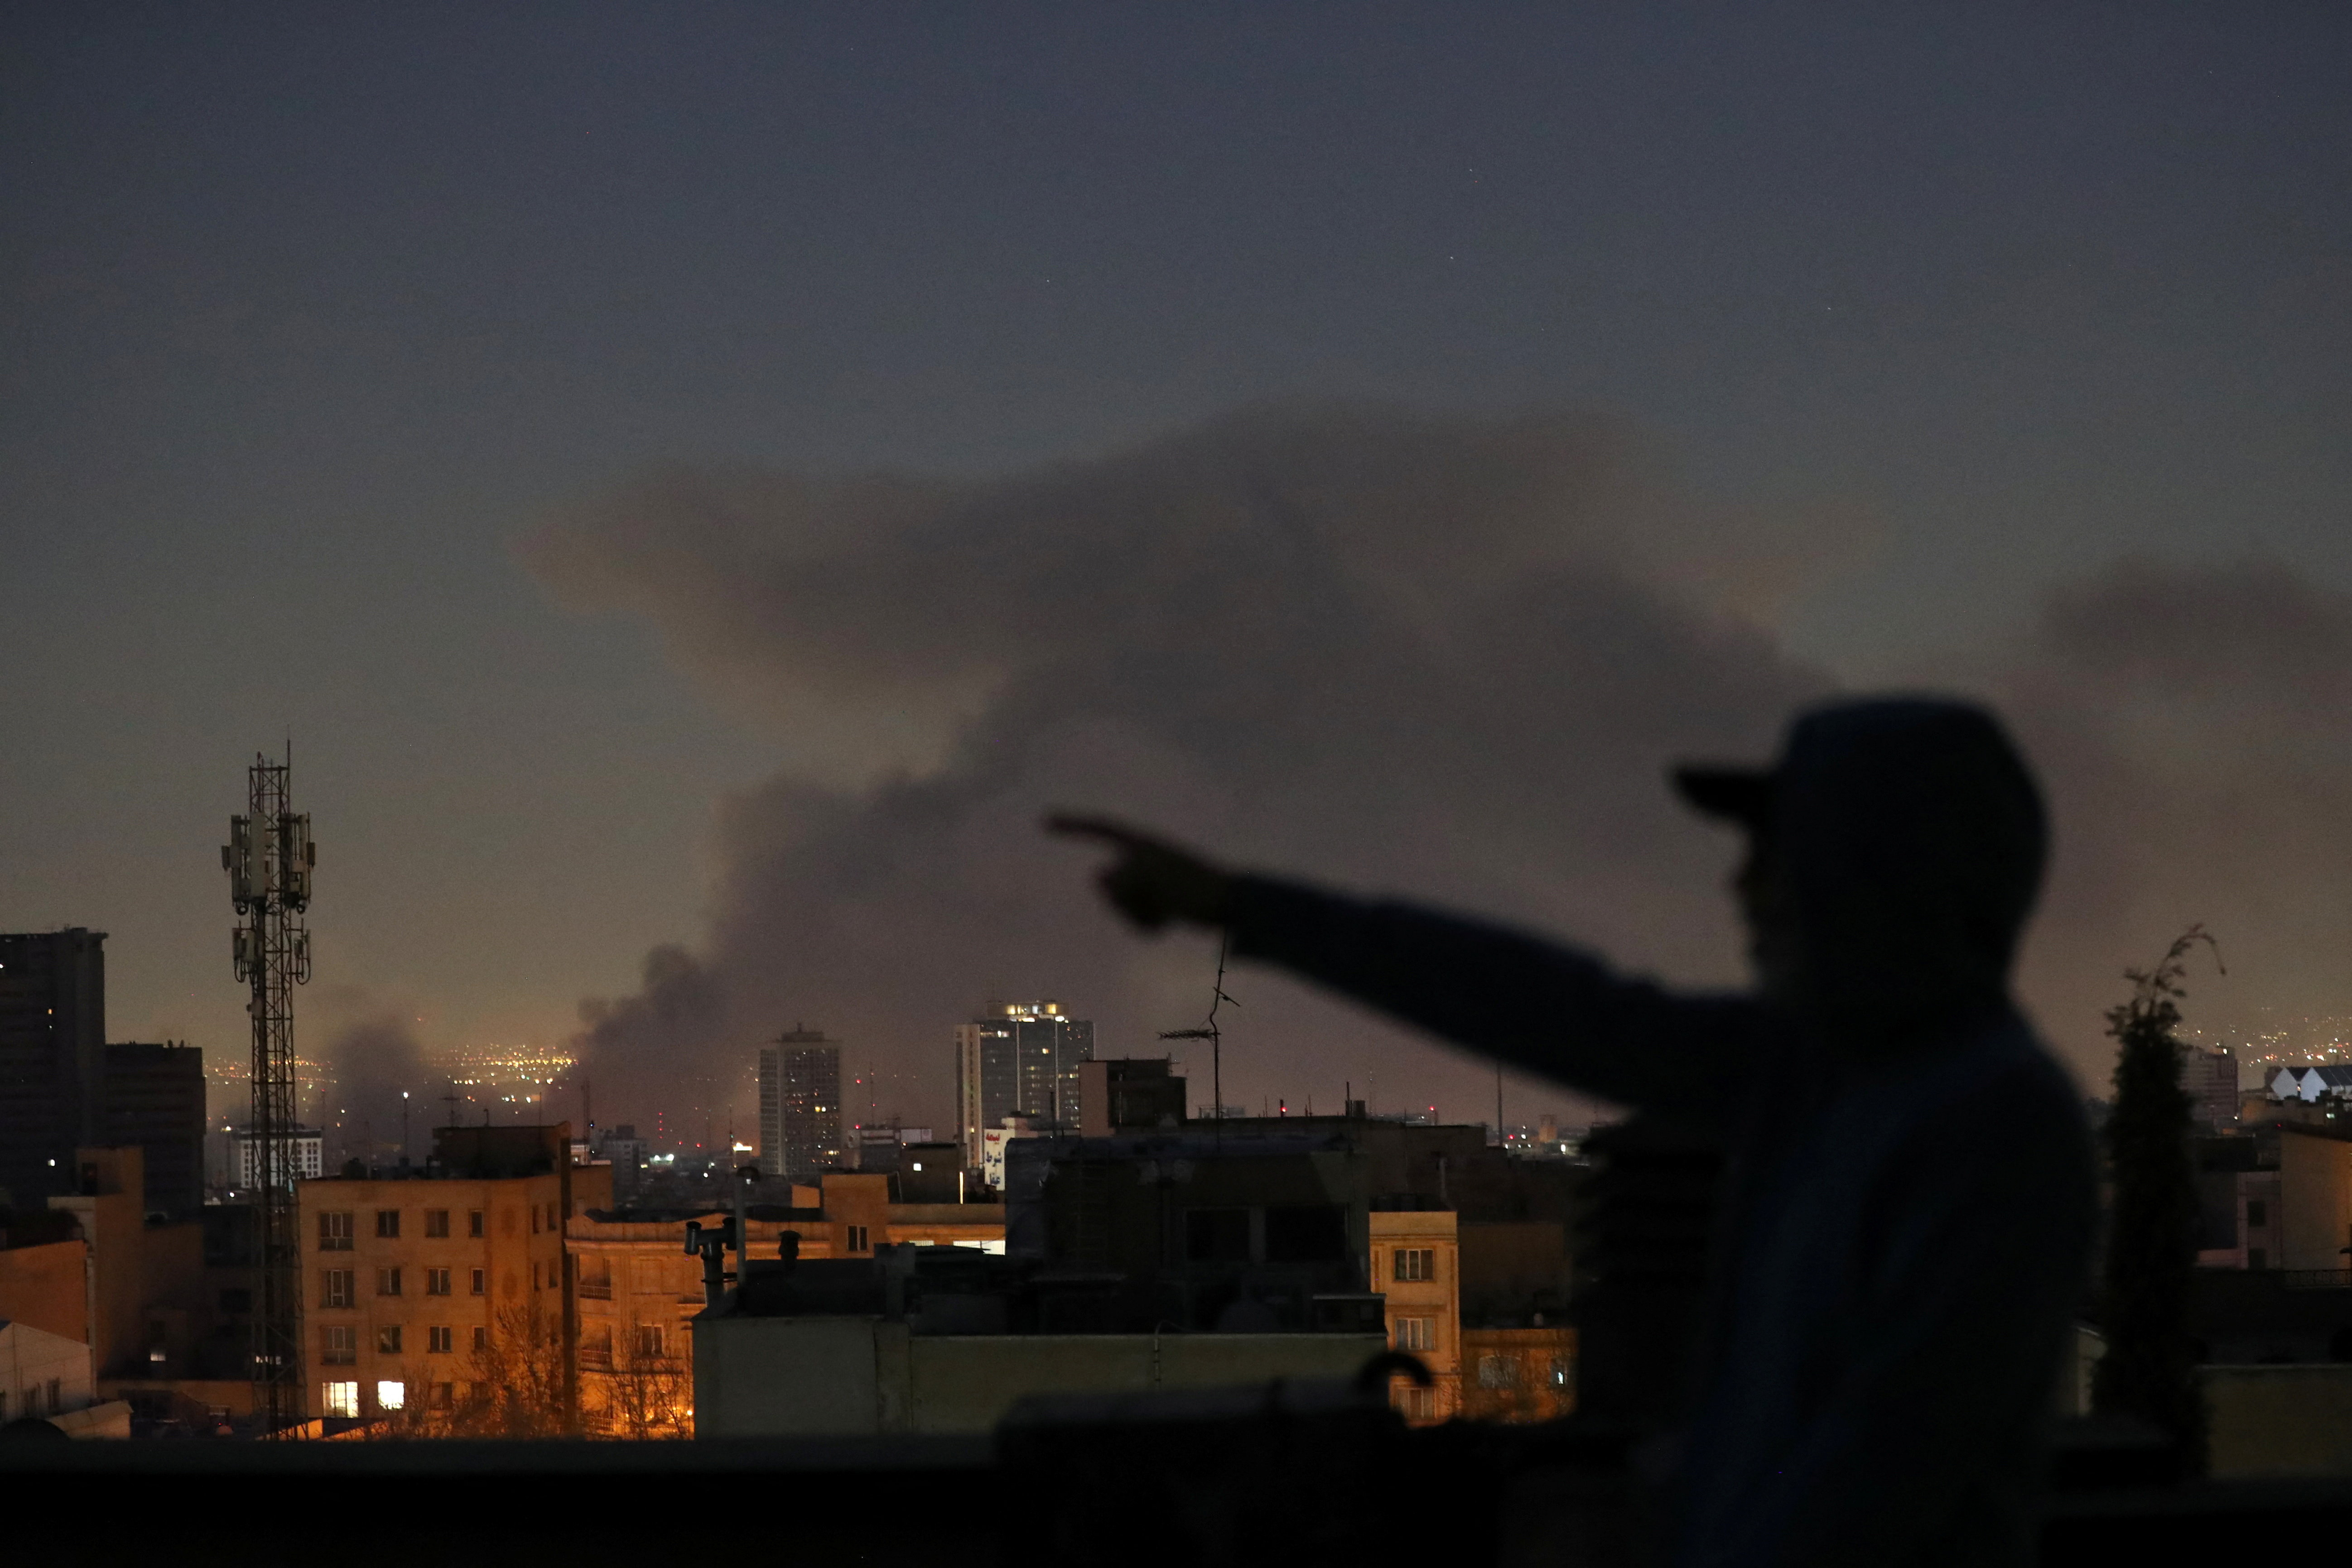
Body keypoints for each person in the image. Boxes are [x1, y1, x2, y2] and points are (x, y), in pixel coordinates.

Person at [1052, 696, 2095, 1568]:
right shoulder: (1830, 1077)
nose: (1742, 890)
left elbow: (1881, 1468)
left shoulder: (1991, 1128)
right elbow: (1555, 1008)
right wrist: (1244, 907)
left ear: (1877, 879)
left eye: (1780, 857)